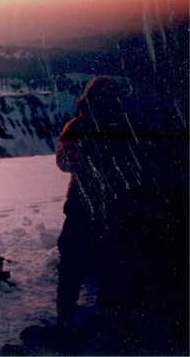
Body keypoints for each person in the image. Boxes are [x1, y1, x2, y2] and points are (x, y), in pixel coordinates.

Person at [55, 76, 136, 331]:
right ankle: (109, 321)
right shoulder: (126, 125)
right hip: (115, 205)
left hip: (81, 204)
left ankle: (66, 320)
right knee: (109, 265)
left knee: (71, 264)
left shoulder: (76, 126)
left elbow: (64, 163)